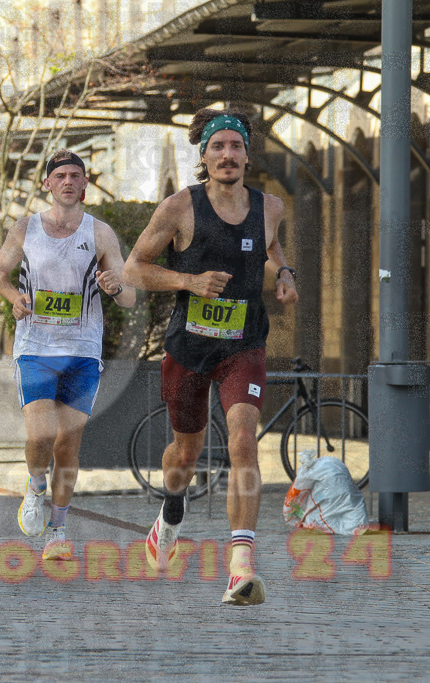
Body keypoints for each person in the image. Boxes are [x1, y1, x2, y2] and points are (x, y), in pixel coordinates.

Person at [123, 109, 298, 606]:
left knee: (244, 440)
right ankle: (170, 515)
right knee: (185, 454)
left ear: (247, 155)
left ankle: (240, 567)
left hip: (244, 345)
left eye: (235, 146)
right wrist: (189, 282)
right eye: (217, 146)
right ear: (203, 156)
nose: (227, 155)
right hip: (189, 348)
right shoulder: (179, 208)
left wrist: (286, 274)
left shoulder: (270, 206)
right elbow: (135, 268)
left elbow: (272, 247)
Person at [0, 150, 136, 560]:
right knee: (41, 435)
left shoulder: (100, 233)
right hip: (35, 348)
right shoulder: (25, 228)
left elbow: (129, 298)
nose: (69, 181)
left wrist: (114, 286)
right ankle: (36, 485)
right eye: (61, 175)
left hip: (82, 351)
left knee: (68, 447)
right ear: (48, 185)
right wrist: (14, 298)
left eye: (76, 175)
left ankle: (59, 531)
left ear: (85, 185)